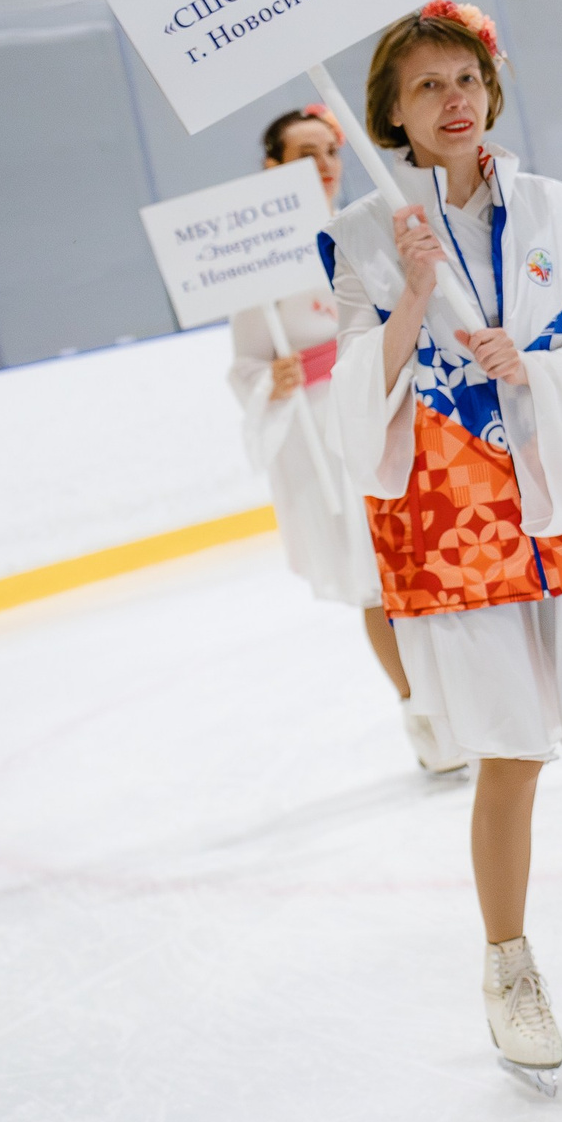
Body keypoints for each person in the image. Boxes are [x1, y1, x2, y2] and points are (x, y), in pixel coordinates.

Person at [325, 0, 562, 1095]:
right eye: (427, 86)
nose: (454, 101)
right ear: (392, 115)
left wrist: (535, 365)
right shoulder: (365, 236)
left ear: (490, 90)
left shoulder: (547, 210)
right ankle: (509, 973)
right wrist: (411, 300)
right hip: (456, 527)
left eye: (467, 79)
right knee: (511, 752)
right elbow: (354, 402)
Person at [227, 106, 458, 777]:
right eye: (306, 154)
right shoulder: (257, 267)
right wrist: (272, 378)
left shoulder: (367, 228)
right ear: (273, 168)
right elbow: (246, 366)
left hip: (395, 410)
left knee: (432, 557)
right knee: (376, 578)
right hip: (325, 435)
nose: (325, 165)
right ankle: (424, 714)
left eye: (331, 150)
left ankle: (469, 694)